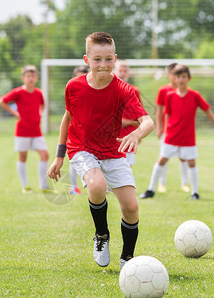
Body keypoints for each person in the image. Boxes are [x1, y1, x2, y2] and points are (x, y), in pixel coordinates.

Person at [47, 32, 154, 269]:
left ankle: (127, 258)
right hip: (82, 149)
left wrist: (136, 134)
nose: (103, 65)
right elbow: (67, 119)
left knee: (131, 207)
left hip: (113, 151)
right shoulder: (73, 87)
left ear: (115, 59)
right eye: (97, 59)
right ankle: (101, 235)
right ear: (87, 60)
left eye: (108, 59)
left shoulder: (125, 90)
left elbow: (148, 122)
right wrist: (58, 157)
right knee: (97, 186)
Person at [140, 64, 214, 200]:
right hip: (171, 136)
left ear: (189, 79)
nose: (181, 79)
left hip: (188, 137)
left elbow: (207, 110)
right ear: (174, 78)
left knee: (191, 162)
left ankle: (194, 193)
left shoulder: (195, 95)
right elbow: (166, 114)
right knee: (162, 160)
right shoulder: (169, 96)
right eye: (178, 76)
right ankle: (150, 190)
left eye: (184, 77)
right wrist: (165, 130)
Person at [0, 65, 49, 193]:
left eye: (33, 76)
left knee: (45, 155)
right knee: (23, 156)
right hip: (22, 131)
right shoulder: (18, 92)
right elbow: (2, 101)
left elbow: (43, 104)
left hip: (36, 131)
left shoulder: (39, 93)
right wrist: (14, 113)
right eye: (28, 76)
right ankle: (25, 186)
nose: (31, 79)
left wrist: (40, 113)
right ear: (23, 78)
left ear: (36, 78)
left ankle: (43, 185)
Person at [155, 63, 192, 193]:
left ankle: (185, 183)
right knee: (164, 157)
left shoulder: (187, 91)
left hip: (182, 132)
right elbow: (159, 110)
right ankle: (162, 183)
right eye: (173, 74)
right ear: (170, 75)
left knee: (184, 157)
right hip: (168, 131)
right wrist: (159, 127)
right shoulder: (164, 90)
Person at [115, 59, 141, 166]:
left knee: (127, 169)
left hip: (129, 136)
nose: (123, 73)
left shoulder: (135, 91)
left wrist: (139, 134)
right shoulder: (109, 90)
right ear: (115, 72)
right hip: (112, 137)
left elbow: (140, 114)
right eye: (120, 70)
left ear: (129, 73)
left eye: (125, 71)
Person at [68, 65, 89, 195]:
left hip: (92, 131)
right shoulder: (71, 91)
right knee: (75, 158)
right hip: (76, 131)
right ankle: (73, 187)